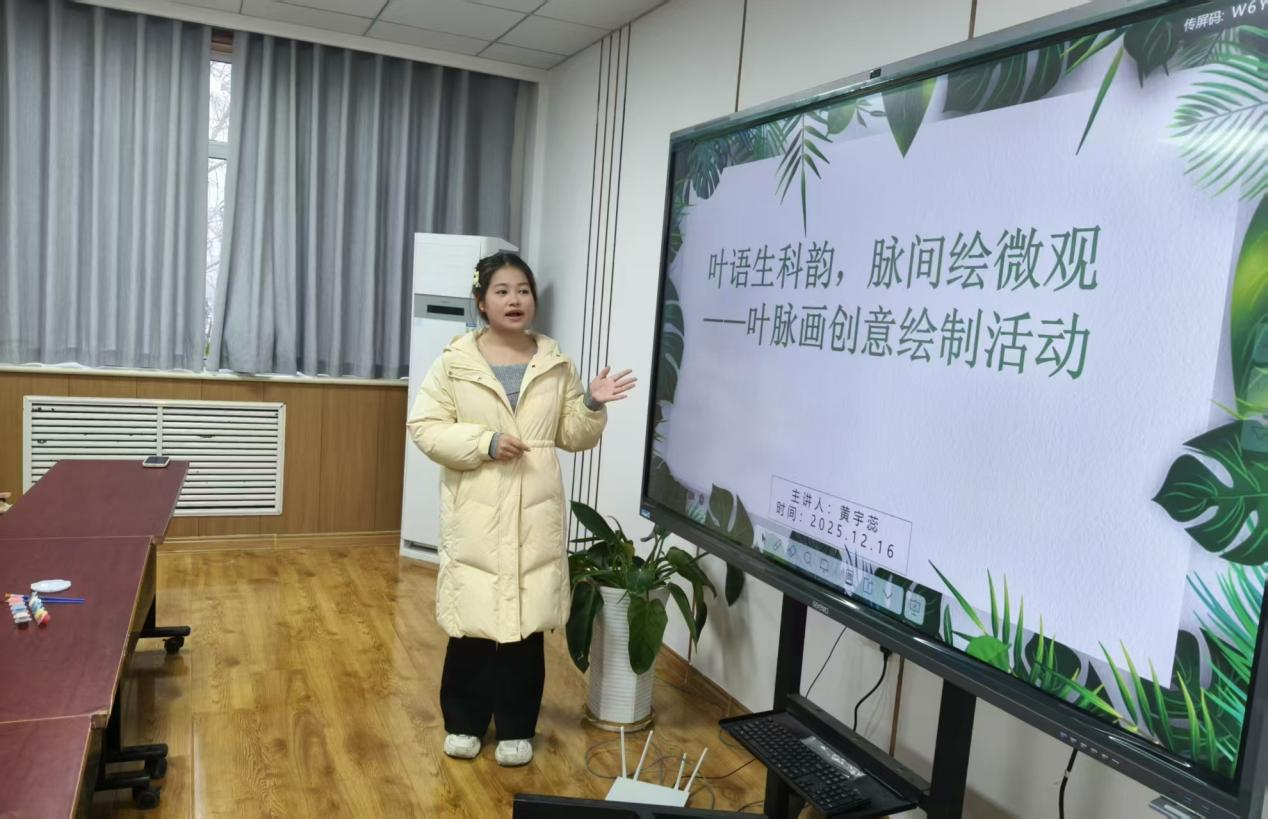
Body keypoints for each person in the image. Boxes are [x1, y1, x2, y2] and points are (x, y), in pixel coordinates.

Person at [406, 251, 637, 767]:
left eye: (523, 290)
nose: (515, 300)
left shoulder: (554, 363)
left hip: (534, 511)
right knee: (471, 623)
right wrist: (484, 443)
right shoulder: (454, 363)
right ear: (481, 302)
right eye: (503, 291)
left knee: (525, 627)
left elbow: (572, 435)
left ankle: (516, 726)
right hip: (477, 509)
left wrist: (592, 403)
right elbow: (425, 427)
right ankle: (463, 722)